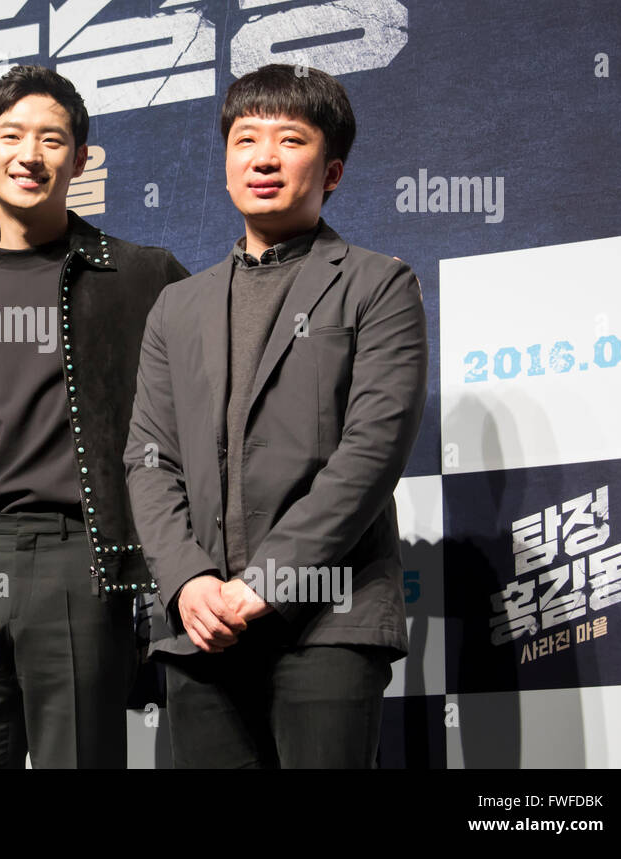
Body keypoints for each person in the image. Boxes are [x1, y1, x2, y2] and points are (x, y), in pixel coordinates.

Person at [124, 63, 427, 768]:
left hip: (327, 620)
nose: (263, 157)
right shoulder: (178, 305)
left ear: (333, 171)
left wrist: (268, 580)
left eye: (290, 139)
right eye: (245, 138)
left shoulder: (378, 283)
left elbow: (371, 453)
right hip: (200, 629)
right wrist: (188, 580)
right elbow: (149, 456)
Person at [0, 65, 189, 768]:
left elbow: (195, 428)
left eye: (52, 140)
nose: (31, 154)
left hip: (81, 560)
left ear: (80, 160)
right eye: (12, 135)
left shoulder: (142, 276)